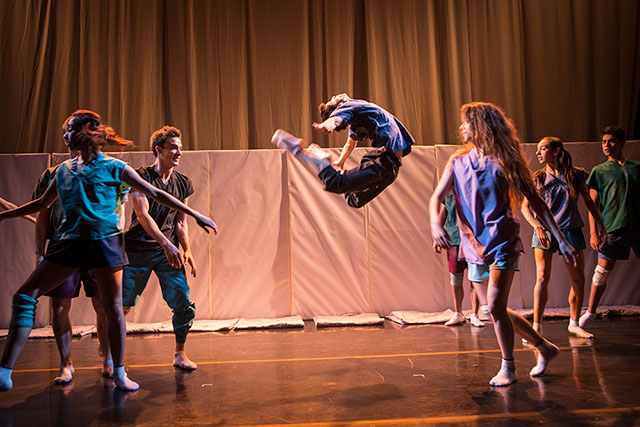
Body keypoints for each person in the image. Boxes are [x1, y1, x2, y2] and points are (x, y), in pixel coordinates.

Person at [0, 110, 217, 392]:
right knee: (25, 296)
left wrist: (194, 213)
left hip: (105, 244)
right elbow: (41, 204)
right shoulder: (64, 170)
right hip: (69, 243)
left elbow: (157, 194)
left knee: (113, 309)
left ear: (83, 133)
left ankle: (118, 371)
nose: (64, 136)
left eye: (68, 130)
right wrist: (4, 217)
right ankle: (5, 370)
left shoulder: (115, 167)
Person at [429, 102, 577, 387]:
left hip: (502, 240)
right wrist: (436, 224)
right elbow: (437, 197)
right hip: (473, 245)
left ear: (482, 127)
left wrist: (561, 239)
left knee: (495, 306)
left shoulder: (506, 162)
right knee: (493, 310)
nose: (461, 128)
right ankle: (543, 347)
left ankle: (508, 366)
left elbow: (537, 204)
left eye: (466, 123)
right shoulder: (457, 162)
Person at [32, 140, 116, 383]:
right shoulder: (53, 174)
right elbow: (41, 215)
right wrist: (40, 254)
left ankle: (109, 359)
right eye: (73, 137)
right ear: (66, 139)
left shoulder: (103, 170)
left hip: (94, 245)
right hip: (63, 246)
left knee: (103, 305)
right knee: (59, 305)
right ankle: (65, 363)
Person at [122, 126, 201, 370]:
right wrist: (166, 244)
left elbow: (180, 220)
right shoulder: (141, 176)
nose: (179, 152)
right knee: (123, 305)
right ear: (159, 150)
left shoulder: (182, 182)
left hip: (169, 252)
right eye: (173, 148)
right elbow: (142, 216)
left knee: (183, 304)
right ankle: (111, 358)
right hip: (137, 250)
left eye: (180, 148)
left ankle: (179, 353)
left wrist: (186, 249)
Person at [521, 137, 605, 339]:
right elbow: (525, 207)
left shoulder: (576, 175)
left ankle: (574, 323)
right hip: (545, 231)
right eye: (538, 149)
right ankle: (537, 326)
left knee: (578, 279)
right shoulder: (538, 177)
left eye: (543, 149)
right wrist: (537, 227)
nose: (539, 153)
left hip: (571, 229)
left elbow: (589, 203)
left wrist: (601, 224)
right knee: (542, 277)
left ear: (556, 151)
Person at [271, 93, 414, 208]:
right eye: (332, 100)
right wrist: (327, 125)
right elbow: (336, 120)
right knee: (336, 184)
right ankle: (302, 153)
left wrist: (340, 162)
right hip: (385, 160)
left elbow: (350, 144)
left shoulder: (357, 114)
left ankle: (314, 157)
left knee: (354, 199)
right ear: (339, 106)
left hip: (391, 166)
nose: (334, 96)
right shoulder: (348, 106)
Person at [579, 126, 640, 328]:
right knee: (602, 272)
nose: (606, 145)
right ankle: (590, 312)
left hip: (637, 226)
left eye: (611, 141)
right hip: (612, 228)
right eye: (604, 141)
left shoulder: (636, 167)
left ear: (622, 143)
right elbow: (592, 204)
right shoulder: (600, 171)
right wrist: (594, 233)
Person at [433, 192, 487, 327]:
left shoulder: (472, 189)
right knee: (455, 277)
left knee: (475, 278)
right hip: (454, 238)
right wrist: (437, 236)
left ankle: (474, 314)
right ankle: (458, 313)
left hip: (473, 240)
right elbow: (442, 214)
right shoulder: (448, 194)